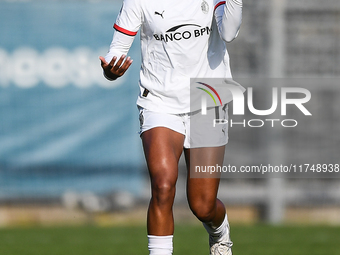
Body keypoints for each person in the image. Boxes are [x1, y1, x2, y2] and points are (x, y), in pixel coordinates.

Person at [99, 0, 243, 254]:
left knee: (202, 205)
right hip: (159, 101)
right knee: (163, 185)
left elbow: (229, 33)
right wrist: (111, 70)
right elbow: (116, 50)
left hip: (208, 98)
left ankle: (221, 235)